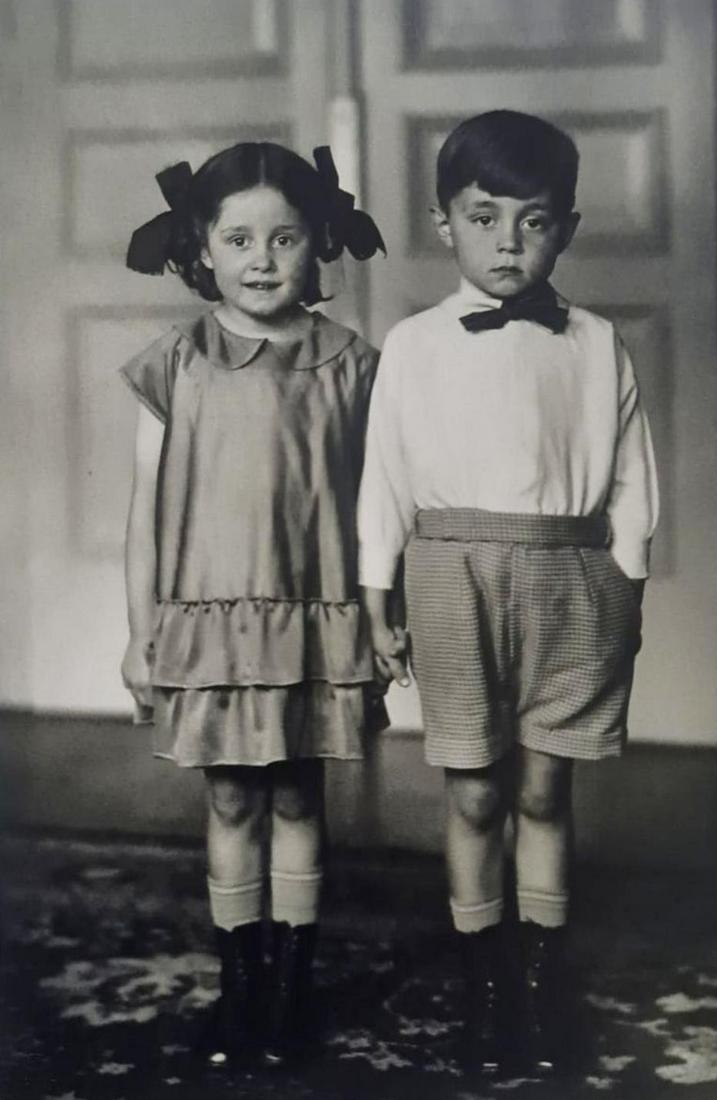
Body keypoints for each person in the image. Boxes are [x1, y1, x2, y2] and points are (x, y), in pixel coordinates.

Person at [358, 109, 658, 1078]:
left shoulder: (596, 342)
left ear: (564, 227)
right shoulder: (410, 344)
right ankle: (482, 977)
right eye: (483, 217)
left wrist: (629, 579)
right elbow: (385, 475)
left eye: (531, 221)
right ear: (445, 222)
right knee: (476, 786)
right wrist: (375, 589)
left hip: (572, 570)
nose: (506, 242)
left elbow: (631, 479)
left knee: (543, 782)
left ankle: (540, 974)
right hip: (450, 571)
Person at [120, 141, 387, 1071]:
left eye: (285, 237)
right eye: (240, 238)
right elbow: (144, 515)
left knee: (299, 793)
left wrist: (377, 613)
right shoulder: (177, 363)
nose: (263, 258)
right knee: (232, 796)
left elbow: (376, 506)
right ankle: (240, 985)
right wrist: (138, 631)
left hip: (315, 615)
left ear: (320, 244)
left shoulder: (352, 365)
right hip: (209, 623)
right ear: (202, 247)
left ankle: (291, 989)